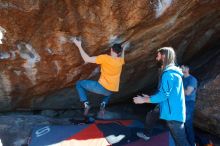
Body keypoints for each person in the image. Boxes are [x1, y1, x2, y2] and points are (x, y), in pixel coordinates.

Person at [133, 47, 190, 146]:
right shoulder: (173, 73)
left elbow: (163, 95)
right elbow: (167, 94)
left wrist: (143, 100)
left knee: (181, 143)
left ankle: (146, 134)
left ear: (164, 56)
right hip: (173, 112)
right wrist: (150, 97)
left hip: (173, 114)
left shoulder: (168, 74)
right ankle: (146, 133)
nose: (156, 58)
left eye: (158, 56)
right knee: (179, 141)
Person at [72, 37, 125, 117]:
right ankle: (103, 105)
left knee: (79, 84)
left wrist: (79, 45)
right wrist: (123, 49)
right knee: (108, 94)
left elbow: (87, 59)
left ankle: (86, 104)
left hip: (100, 87)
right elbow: (122, 57)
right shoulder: (120, 62)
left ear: (111, 49)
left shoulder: (105, 58)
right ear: (119, 53)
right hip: (110, 91)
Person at [181, 65, 198, 146]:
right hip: (180, 103)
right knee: (180, 124)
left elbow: (188, 92)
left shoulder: (192, 79)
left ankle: (191, 143)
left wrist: (178, 87)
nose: (181, 68)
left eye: (183, 67)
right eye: (181, 67)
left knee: (187, 124)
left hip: (189, 103)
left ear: (188, 69)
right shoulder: (181, 79)